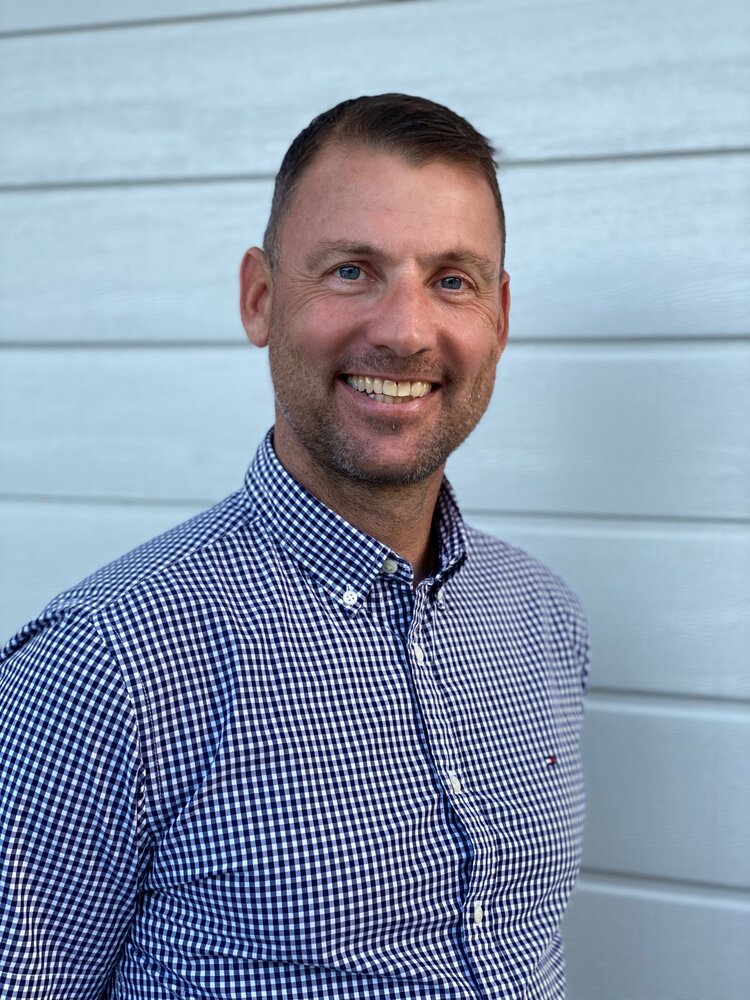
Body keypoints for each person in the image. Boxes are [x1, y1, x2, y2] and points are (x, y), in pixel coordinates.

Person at [0, 94, 588, 999]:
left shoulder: (544, 620)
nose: (404, 330)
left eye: (452, 280)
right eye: (352, 270)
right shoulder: (102, 667)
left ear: (500, 318)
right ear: (261, 299)